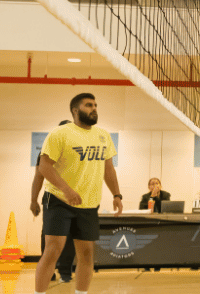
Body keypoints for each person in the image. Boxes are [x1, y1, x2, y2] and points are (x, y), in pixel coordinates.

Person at [34, 93, 124, 294]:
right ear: (75, 110)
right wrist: (66, 190)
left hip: (88, 204)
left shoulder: (103, 135)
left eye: (95, 105)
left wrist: (117, 195)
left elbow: (108, 168)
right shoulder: (60, 133)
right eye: (89, 105)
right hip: (58, 200)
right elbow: (44, 167)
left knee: (86, 253)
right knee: (53, 250)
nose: (94, 109)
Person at [30, 119, 75, 283]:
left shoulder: (77, 151)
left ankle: (65, 271)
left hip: (73, 199)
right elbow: (38, 176)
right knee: (49, 235)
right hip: (52, 198)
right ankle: (49, 271)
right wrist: (33, 200)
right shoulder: (46, 151)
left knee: (71, 234)